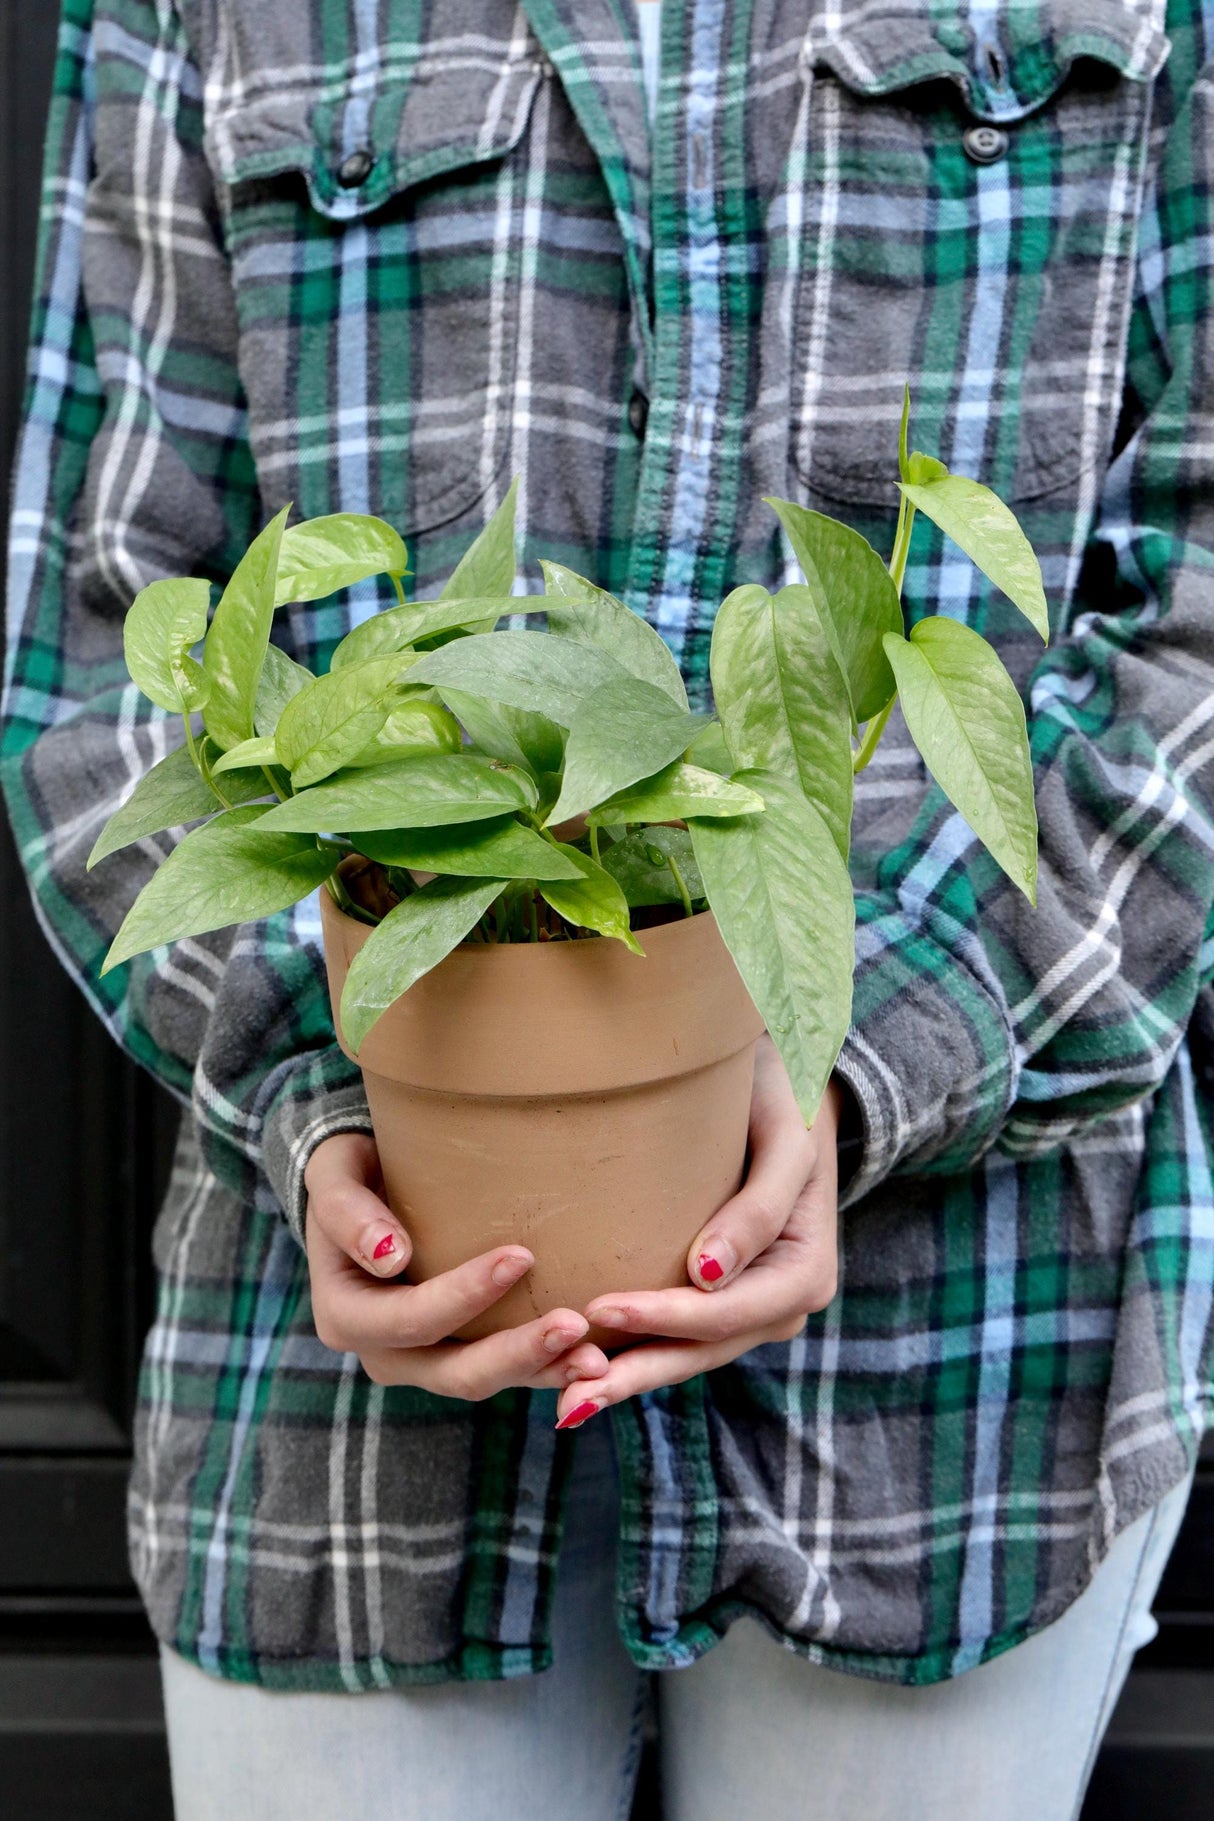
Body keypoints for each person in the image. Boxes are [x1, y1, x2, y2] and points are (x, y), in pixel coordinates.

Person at [4, 1, 1211, 1816]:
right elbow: (105, 653)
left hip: (956, 1378)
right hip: (344, 1429)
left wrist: (871, 1053)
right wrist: (327, 1092)